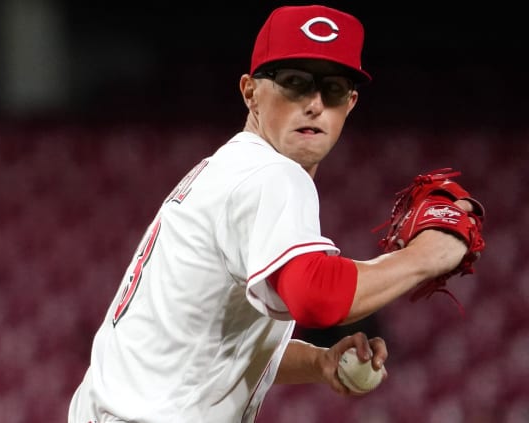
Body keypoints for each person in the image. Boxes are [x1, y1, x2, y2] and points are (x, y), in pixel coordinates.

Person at [68, 4, 480, 422]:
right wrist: (428, 255)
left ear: (350, 104)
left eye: (333, 89)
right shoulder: (272, 175)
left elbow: (207, 345)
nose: (315, 104)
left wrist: (318, 363)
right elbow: (317, 298)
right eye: (295, 83)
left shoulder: (228, 168)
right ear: (250, 93)